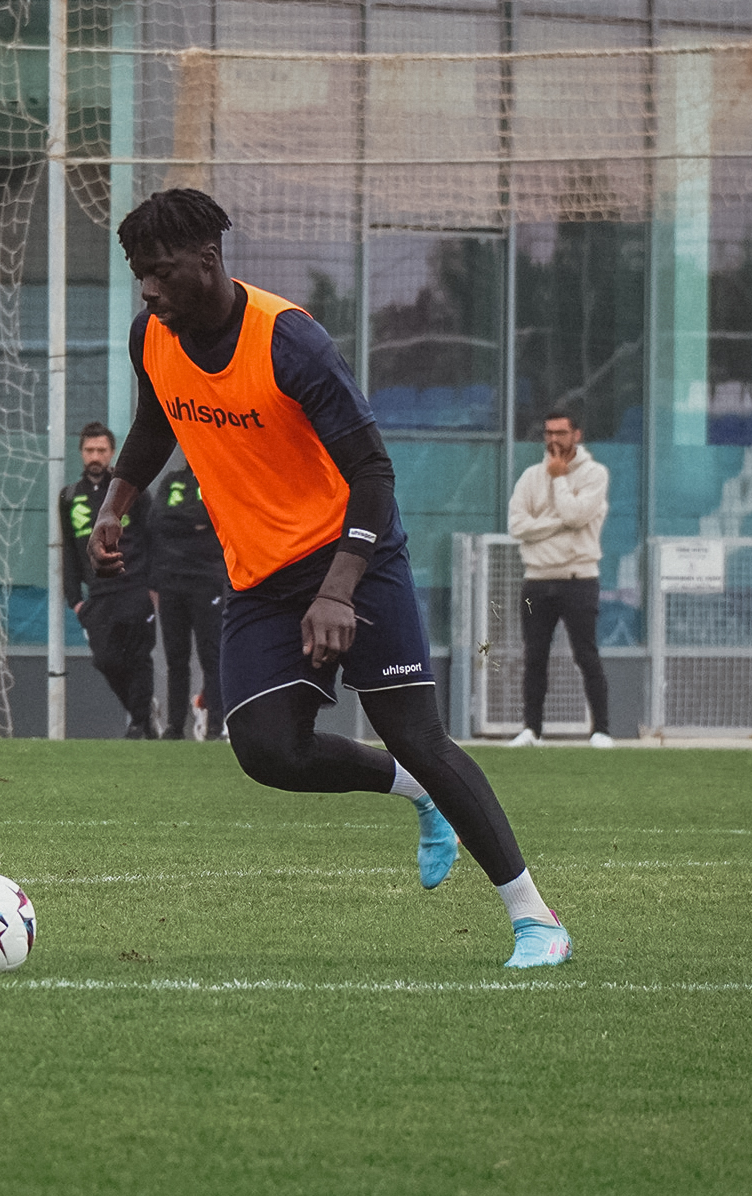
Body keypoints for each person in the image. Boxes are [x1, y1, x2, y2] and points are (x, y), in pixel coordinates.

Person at [90, 188, 571, 969]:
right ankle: (411, 792)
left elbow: (374, 473)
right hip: (258, 578)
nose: (148, 289)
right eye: (139, 275)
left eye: (161, 272)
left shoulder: (290, 343)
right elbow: (156, 421)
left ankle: (536, 919)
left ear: (207, 261)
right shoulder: (153, 332)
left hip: (356, 556)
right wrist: (117, 503)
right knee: (266, 751)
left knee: (418, 735)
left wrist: (340, 588)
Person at [506, 410, 612, 748]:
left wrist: (560, 479)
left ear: (576, 435)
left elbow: (576, 515)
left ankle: (601, 731)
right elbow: (517, 527)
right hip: (536, 580)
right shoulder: (530, 476)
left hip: (579, 578)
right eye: (548, 433)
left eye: (561, 433)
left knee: (586, 655)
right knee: (534, 656)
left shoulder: (595, 474)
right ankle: (531, 730)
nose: (554, 440)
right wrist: (559, 522)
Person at [60, 421, 157, 738]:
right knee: (106, 660)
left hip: (134, 586)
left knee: (139, 657)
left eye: (101, 450)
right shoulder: (69, 497)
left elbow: (152, 537)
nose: (95, 456)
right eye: (89, 450)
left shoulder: (132, 494)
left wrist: (153, 586)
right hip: (98, 595)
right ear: (81, 453)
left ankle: (140, 724)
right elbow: (70, 550)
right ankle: (142, 712)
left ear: (112, 452)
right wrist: (74, 598)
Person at [148, 452, 225, 739]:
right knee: (175, 657)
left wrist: (184, 521)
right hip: (171, 581)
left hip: (207, 581)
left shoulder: (218, 480)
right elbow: (157, 520)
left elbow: (216, 517)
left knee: (210, 654)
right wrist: (193, 522)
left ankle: (215, 724)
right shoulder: (171, 480)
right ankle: (174, 726)